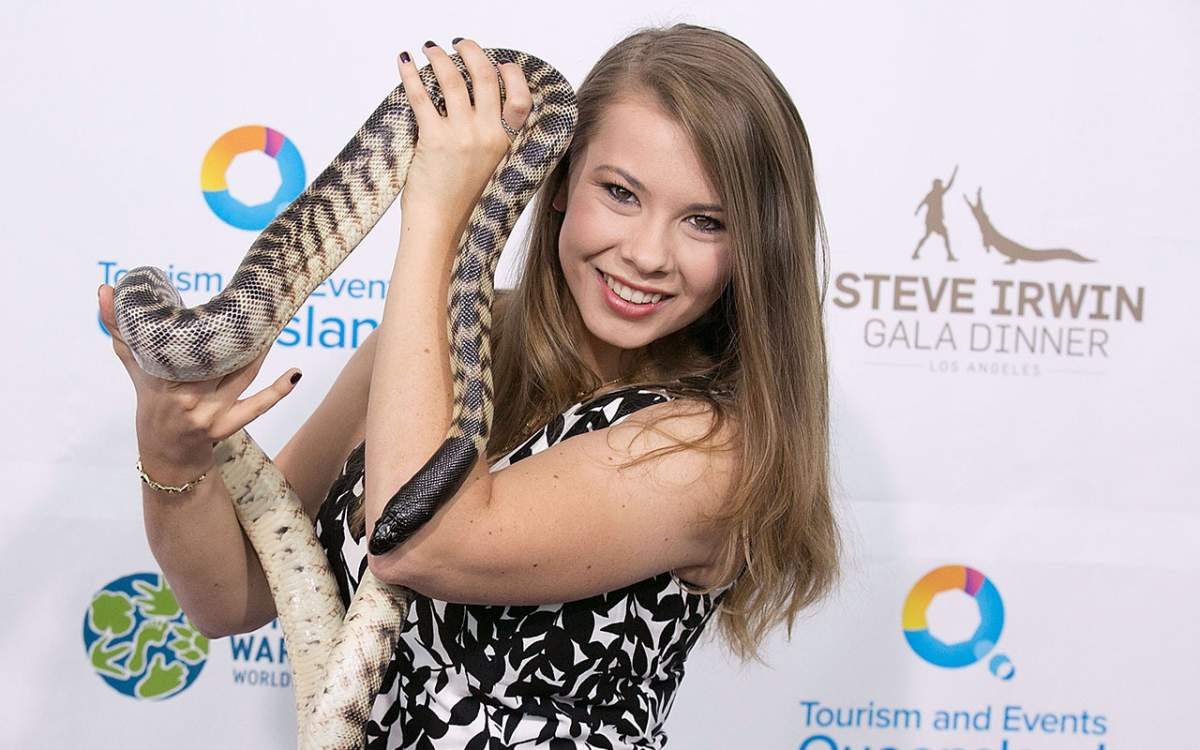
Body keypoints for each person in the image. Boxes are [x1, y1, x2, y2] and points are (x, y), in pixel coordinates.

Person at [99, 22, 841, 750]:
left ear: (754, 246)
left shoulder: (708, 450)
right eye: (619, 192)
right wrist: (172, 460)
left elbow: (417, 543)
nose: (647, 253)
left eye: (705, 221)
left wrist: (436, 213)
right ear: (559, 181)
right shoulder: (423, 350)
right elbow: (234, 597)